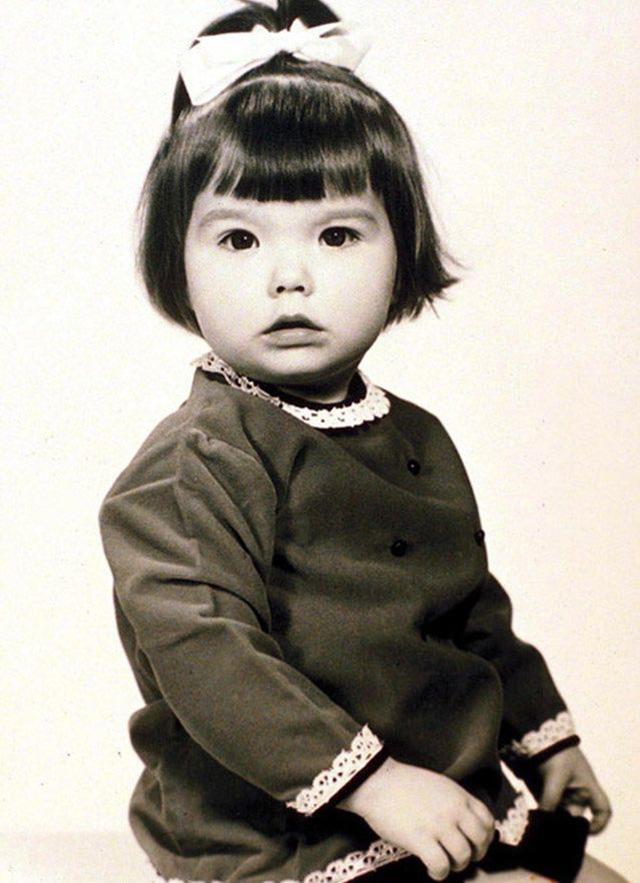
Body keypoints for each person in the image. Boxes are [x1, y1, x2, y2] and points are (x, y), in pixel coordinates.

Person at [99, 2, 627, 882]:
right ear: (177, 262)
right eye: (238, 237)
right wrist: (376, 785)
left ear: (401, 251)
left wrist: (544, 741)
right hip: (283, 826)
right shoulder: (194, 465)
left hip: (447, 790)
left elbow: (470, 614)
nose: (289, 274)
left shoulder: (415, 436)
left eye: (337, 234)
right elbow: (210, 660)